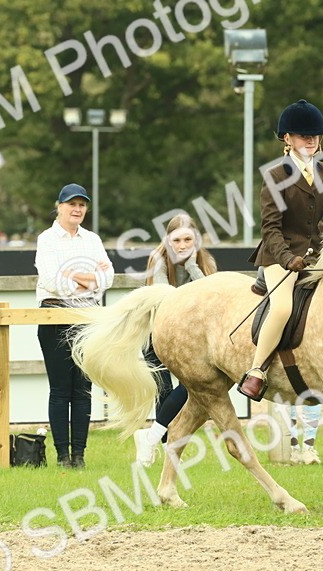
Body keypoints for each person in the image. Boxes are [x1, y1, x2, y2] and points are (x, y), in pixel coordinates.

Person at [239, 99, 323, 401]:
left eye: (314, 135)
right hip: (279, 256)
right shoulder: (276, 175)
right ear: (287, 139)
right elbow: (270, 228)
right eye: (302, 135)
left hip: (317, 258)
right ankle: (257, 370)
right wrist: (287, 259)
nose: (310, 140)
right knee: (283, 307)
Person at [35, 183, 115, 468]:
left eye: (82, 205)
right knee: (60, 389)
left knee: (83, 388)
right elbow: (51, 281)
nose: (77, 209)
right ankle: (62, 455)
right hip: (55, 317)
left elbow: (108, 278)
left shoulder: (92, 240)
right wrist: (89, 279)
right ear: (60, 206)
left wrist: (75, 277)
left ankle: (79, 455)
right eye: (72, 204)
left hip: (87, 319)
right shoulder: (47, 239)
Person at [133, 214, 218, 466]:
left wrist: (192, 267)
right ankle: (162, 446)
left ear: (196, 240)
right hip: (156, 333)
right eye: (177, 240)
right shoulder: (157, 260)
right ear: (168, 240)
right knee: (164, 390)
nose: (182, 245)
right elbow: (168, 301)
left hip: (190, 339)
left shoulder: (204, 261)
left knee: (191, 387)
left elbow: (213, 296)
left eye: (188, 239)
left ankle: (150, 438)